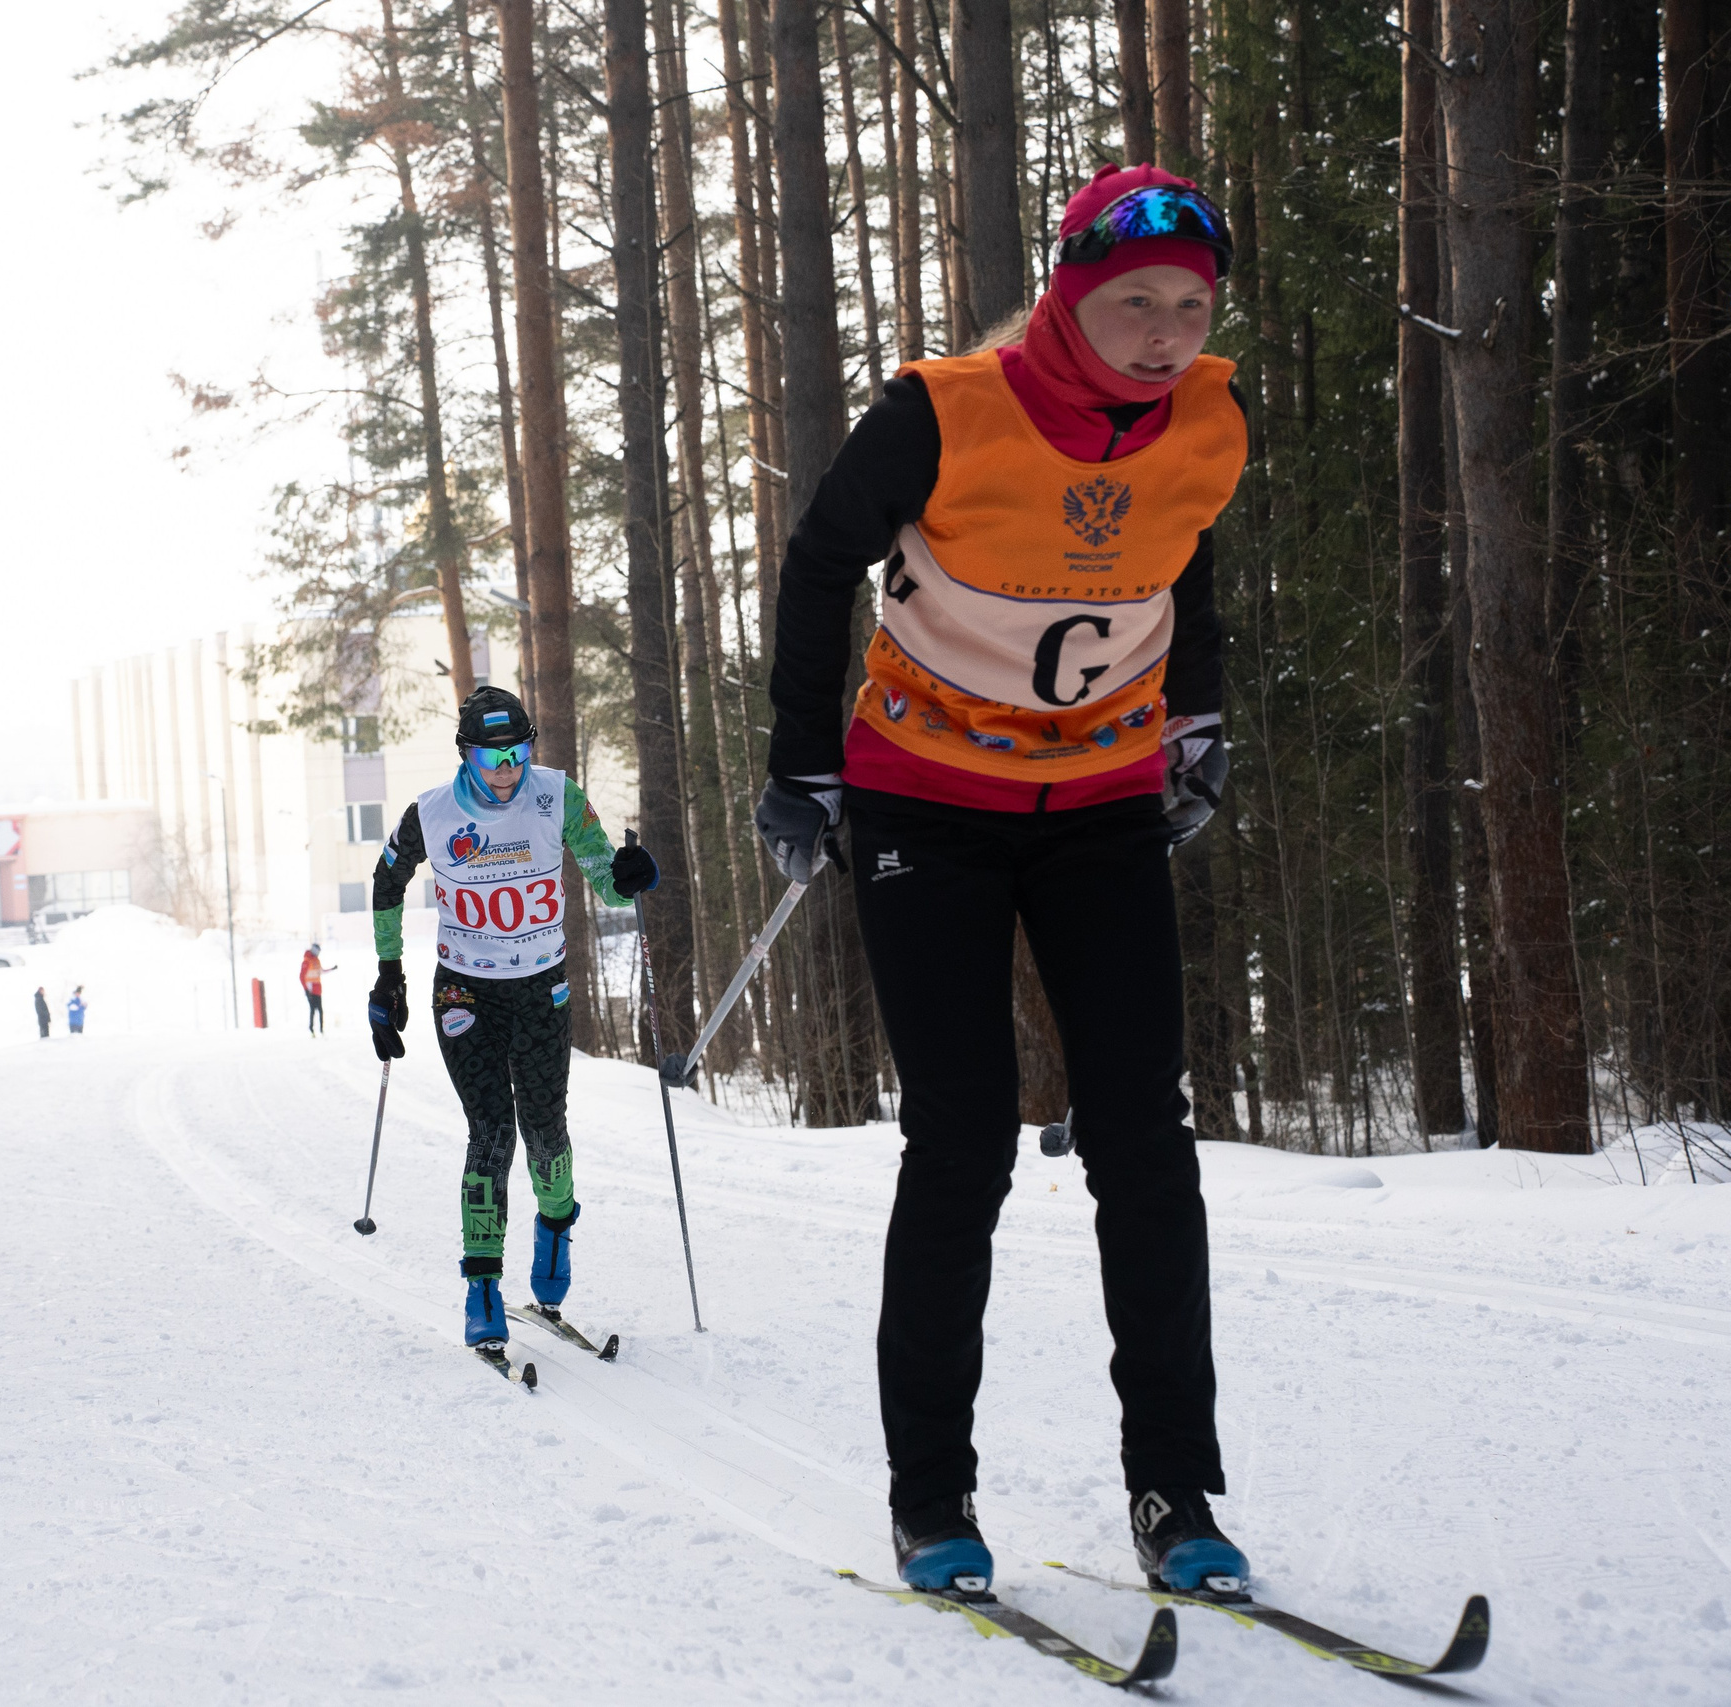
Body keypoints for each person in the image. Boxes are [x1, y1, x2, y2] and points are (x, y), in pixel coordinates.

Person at [754, 163, 1249, 1598]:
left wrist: (1196, 713)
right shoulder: (943, 410)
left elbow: (1183, 555)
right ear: (1071, 293)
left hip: (1101, 801)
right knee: (961, 1134)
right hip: (929, 802)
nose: (1162, 333)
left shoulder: (1208, 416)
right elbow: (818, 560)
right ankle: (932, 1496)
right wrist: (802, 762)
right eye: (1132, 302)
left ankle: (1176, 1489)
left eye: (1190, 306)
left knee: (1144, 1139)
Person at [366, 686, 658, 1354]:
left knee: (546, 1127)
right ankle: (482, 1286)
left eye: (518, 751)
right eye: (493, 755)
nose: (507, 768)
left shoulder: (557, 795)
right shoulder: (432, 812)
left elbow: (606, 877)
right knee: (493, 1130)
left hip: (540, 989)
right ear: (466, 754)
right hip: (465, 992)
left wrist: (633, 873)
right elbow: (386, 882)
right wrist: (389, 974)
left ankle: (555, 1231)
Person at [298, 944, 333, 1035]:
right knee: (313, 1010)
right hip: (310, 990)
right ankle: (311, 1029)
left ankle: (321, 1029)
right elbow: (301, 977)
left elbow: (321, 971)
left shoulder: (317, 960)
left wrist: (332, 969)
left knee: (320, 1010)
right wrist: (306, 990)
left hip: (318, 989)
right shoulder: (306, 961)